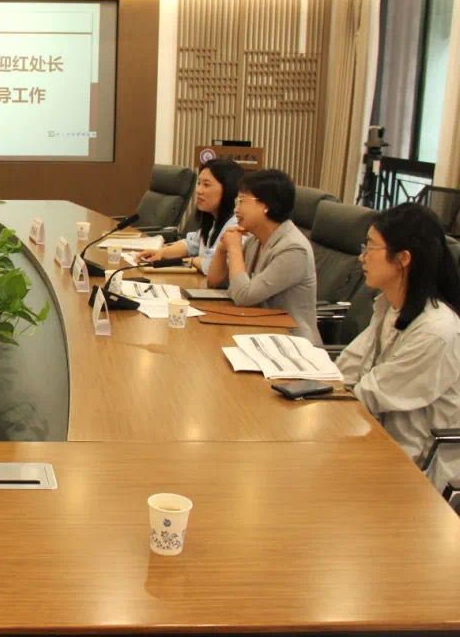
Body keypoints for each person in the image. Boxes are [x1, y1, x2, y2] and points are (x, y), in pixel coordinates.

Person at [336, 203, 460, 489]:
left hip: (413, 468)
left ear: (403, 258)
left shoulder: (436, 330)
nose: (362, 257)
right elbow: (349, 365)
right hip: (374, 439)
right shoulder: (390, 307)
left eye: (371, 247)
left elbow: (371, 394)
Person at [211, 169, 321, 344]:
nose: (236, 209)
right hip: (256, 330)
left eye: (242, 201)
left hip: (290, 342)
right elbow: (215, 281)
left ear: (266, 205)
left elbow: (244, 297)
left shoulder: (293, 249)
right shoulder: (256, 240)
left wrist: (234, 249)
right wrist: (221, 249)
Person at [140, 158, 243, 283]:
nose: (199, 190)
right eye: (199, 183)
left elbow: (210, 266)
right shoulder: (213, 219)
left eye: (206, 185)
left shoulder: (235, 225)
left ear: (228, 189)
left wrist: (192, 260)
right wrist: (161, 253)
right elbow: (191, 244)